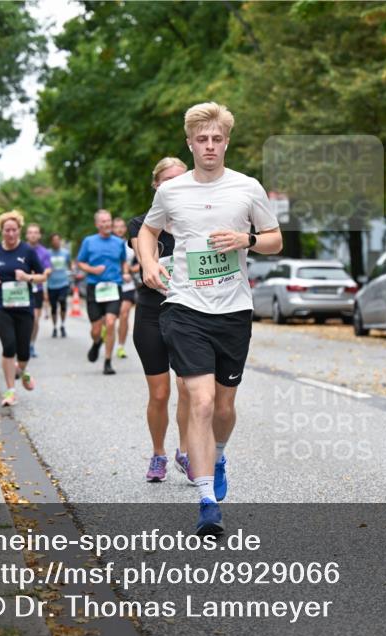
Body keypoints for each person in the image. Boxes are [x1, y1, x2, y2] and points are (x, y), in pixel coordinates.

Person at [138, 102, 282, 536]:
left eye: (217, 139)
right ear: (190, 143)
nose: (210, 146)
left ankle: (218, 455)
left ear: (226, 142)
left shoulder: (247, 187)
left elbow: (274, 240)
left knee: (223, 406)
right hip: (184, 307)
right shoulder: (172, 191)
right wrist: (148, 262)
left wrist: (246, 239)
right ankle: (205, 501)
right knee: (197, 402)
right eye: (202, 139)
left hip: (233, 310)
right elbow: (149, 230)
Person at [129, 157, 192, 483]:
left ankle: (184, 451)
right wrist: (150, 265)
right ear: (156, 186)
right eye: (167, 180)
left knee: (189, 388)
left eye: (180, 179)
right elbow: (144, 254)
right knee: (159, 393)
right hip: (152, 313)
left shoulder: (198, 221)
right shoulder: (141, 225)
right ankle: (158, 454)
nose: (174, 185)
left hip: (188, 313)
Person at [0, 211, 46, 407]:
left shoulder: (27, 251)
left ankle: (21, 370)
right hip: (0, 303)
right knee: (9, 345)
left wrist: (27, 278)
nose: (10, 234)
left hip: (24, 305)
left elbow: (42, 276)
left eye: (14, 230)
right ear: (1, 231)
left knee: (23, 350)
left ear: (19, 231)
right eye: (7, 230)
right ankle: (10, 391)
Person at [77, 209, 128, 375]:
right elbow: (80, 263)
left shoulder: (118, 242)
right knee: (96, 330)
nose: (107, 224)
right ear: (97, 224)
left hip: (114, 287)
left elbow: (123, 262)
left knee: (111, 322)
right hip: (95, 288)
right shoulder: (89, 241)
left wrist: (125, 272)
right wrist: (92, 269)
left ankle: (107, 361)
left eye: (109, 221)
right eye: (103, 221)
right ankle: (97, 341)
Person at [112, 217, 138, 359]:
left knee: (124, 314)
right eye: (116, 226)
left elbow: (141, 261)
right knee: (111, 317)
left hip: (128, 284)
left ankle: (121, 346)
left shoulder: (130, 245)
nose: (120, 229)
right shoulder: (108, 245)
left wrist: (132, 270)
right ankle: (107, 328)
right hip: (111, 285)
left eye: (122, 226)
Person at [25, 224, 52, 358]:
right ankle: (22, 343)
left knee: (35, 319)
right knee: (23, 319)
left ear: (39, 235)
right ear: (26, 235)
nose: (33, 235)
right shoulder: (21, 249)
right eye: (30, 232)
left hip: (37, 288)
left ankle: (31, 345)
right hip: (22, 288)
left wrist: (45, 273)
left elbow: (48, 268)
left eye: (36, 232)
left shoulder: (44, 252)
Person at [47, 233, 72, 338]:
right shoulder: (48, 253)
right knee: (53, 307)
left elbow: (69, 265)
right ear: (51, 242)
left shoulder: (65, 253)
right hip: (51, 284)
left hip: (63, 283)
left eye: (58, 240)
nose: (56, 242)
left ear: (60, 241)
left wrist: (69, 273)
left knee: (62, 303)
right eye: (54, 240)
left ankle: (62, 325)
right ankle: (54, 327)